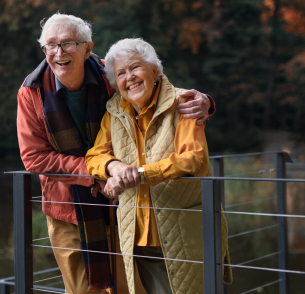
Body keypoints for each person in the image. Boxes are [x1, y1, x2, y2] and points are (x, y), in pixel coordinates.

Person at [17, 14, 215, 294]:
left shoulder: (112, 72)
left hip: (121, 204)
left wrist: (203, 101)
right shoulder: (31, 92)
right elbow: (35, 158)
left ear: (87, 48)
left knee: (130, 288)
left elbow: (153, 89)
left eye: (68, 44)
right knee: (84, 291)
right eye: (50, 45)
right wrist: (104, 170)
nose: (59, 53)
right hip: (69, 207)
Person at [85, 38, 233, 294]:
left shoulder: (184, 102)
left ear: (154, 70)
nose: (129, 77)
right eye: (121, 73)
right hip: (137, 236)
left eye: (135, 68)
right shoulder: (114, 111)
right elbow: (94, 156)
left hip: (184, 232)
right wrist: (114, 167)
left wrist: (140, 174)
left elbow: (193, 159)